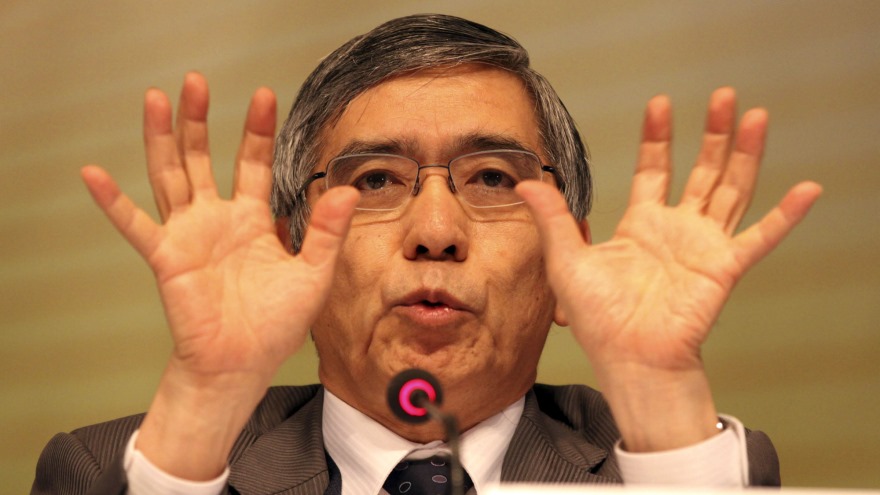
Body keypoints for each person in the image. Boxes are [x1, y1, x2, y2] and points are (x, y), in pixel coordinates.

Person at [32, 13, 821, 495]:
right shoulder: (110, 468)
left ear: (567, 267)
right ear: (292, 251)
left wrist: (655, 389)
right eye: (376, 178)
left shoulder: (678, 459)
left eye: (492, 177)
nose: (436, 228)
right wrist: (205, 401)